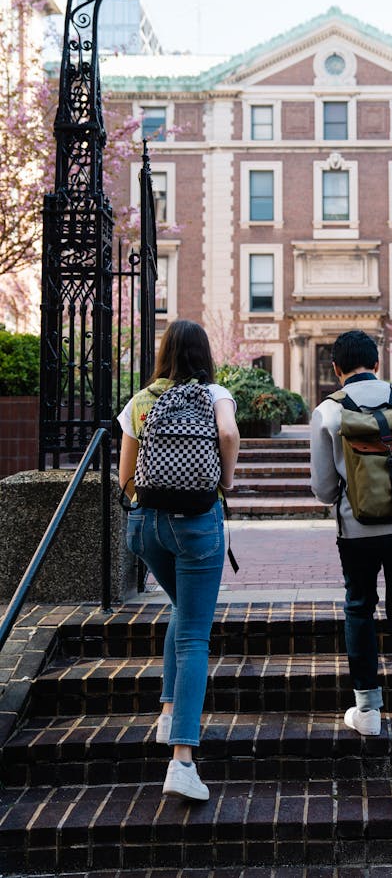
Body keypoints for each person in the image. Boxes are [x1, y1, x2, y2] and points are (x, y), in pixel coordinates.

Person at [310, 329, 392, 799]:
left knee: (359, 607)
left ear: (336, 368)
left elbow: (324, 489)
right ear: (378, 361)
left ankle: (367, 710)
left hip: (358, 531)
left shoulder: (329, 410)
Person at [118, 319, 240, 801]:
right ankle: (182, 761)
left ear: (164, 353)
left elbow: (126, 475)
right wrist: (224, 483)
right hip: (196, 523)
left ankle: (168, 710)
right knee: (194, 634)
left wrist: (147, 501)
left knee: (180, 610)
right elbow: (228, 435)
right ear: (204, 355)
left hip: (146, 526)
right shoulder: (215, 395)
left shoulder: (141, 401)